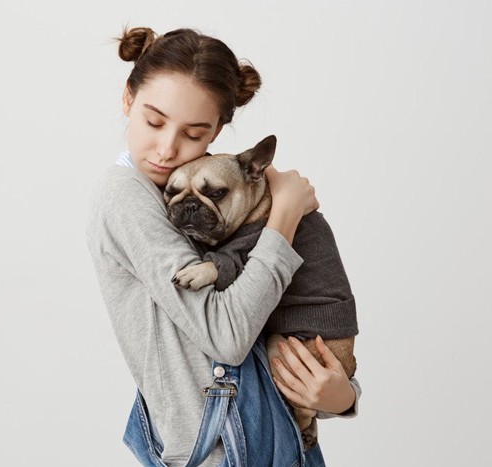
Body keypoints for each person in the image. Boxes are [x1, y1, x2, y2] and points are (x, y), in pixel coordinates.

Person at [86, 26, 361, 466]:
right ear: (127, 100)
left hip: (277, 438)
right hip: (222, 452)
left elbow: (275, 321)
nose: (167, 148)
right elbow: (228, 337)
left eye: (193, 134)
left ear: (216, 131)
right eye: (154, 121)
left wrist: (341, 395)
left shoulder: (208, 189)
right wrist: (284, 215)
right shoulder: (126, 196)